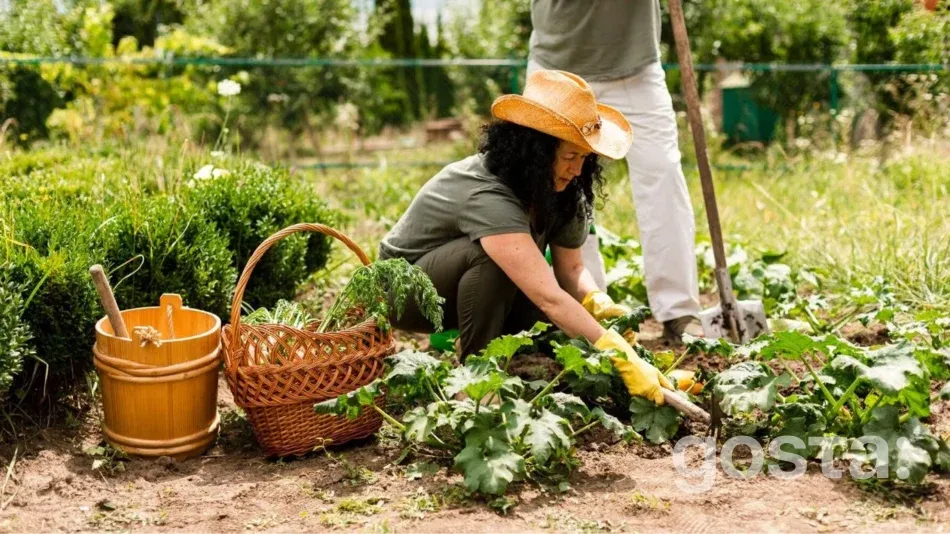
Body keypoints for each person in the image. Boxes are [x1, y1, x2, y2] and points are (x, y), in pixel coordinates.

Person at [379, 69, 672, 404]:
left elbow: (572, 270)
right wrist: (618, 355)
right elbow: (549, 296)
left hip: (458, 286)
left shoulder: (563, 187)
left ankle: (478, 340)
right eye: (569, 156)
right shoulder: (488, 193)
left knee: (557, 307)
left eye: (584, 157)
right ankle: (476, 382)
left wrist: (596, 302)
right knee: (504, 266)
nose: (578, 169)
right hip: (404, 293)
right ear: (536, 152)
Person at [528, 0, 704, 341]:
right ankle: (586, 310)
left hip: (635, 67)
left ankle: (678, 309)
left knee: (663, 172)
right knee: (561, 183)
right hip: (557, 68)